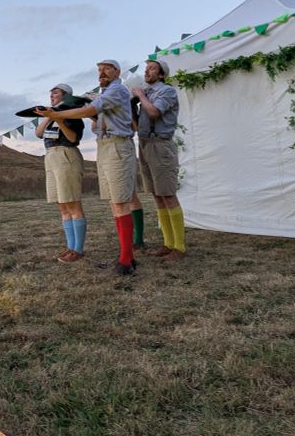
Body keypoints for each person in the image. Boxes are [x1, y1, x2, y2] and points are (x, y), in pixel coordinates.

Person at [37, 59, 138, 275]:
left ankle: (126, 261)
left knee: (120, 203)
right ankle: (126, 257)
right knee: (115, 204)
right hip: (105, 146)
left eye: (107, 69)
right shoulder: (106, 94)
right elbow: (95, 113)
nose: (102, 72)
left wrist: (56, 114)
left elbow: (90, 111)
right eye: (99, 70)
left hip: (117, 146)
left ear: (118, 72)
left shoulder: (117, 89)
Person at [131, 58, 186, 262]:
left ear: (161, 74)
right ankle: (168, 244)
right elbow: (139, 123)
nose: (147, 71)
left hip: (161, 146)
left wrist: (140, 95)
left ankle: (179, 247)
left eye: (152, 68)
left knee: (168, 195)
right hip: (144, 144)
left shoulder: (167, 91)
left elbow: (154, 113)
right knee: (156, 195)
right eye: (146, 68)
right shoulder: (146, 94)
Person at [35, 83, 87, 263]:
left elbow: (73, 138)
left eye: (56, 92)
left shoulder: (73, 116)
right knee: (62, 206)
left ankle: (78, 249)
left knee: (72, 203)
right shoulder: (51, 116)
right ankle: (70, 246)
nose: (52, 95)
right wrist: (49, 116)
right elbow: (39, 133)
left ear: (66, 96)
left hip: (66, 155)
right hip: (50, 157)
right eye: (50, 93)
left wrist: (58, 118)